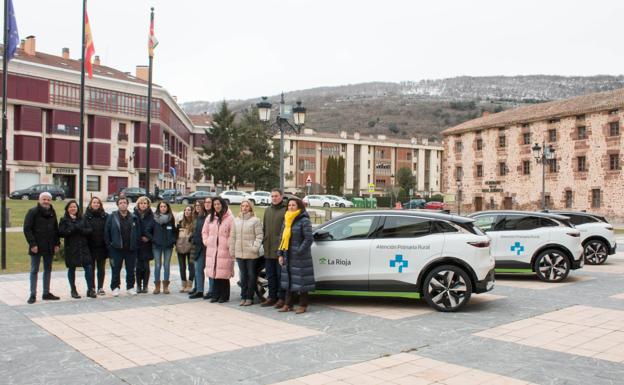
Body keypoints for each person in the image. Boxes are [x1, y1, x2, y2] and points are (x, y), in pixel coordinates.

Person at [277, 197, 315, 314]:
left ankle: (303, 305)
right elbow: (282, 238)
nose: (291, 207)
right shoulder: (286, 220)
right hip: (287, 254)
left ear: (299, 206)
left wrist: (298, 251)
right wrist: (280, 254)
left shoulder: (304, 220)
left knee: (301, 281)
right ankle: (288, 304)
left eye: (293, 205)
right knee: (289, 279)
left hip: (300, 256)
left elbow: (309, 239)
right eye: (289, 205)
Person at [23, 192, 61, 304]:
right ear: (39, 200)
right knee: (34, 270)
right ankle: (33, 294)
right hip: (36, 246)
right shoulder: (32, 212)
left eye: (48, 199)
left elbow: (55, 229)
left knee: (48, 269)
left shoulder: (52, 212)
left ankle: (46, 293)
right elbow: (27, 229)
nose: (46, 201)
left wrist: (57, 244)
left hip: (49, 246)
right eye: (44, 199)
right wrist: (32, 244)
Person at [59, 200, 96, 299]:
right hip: (71, 248)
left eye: (74, 207)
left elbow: (89, 230)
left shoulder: (83, 219)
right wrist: (72, 229)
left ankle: (90, 289)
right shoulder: (64, 219)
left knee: (88, 267)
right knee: (72, 269)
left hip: (83, 247)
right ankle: (73, 290)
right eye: (70, 207)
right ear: (67, 209)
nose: (73, 208)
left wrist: (80, 229)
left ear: (77, 208)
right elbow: (61, 232)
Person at [104, 197, 141, 297]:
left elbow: (138, 232)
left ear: (127, 204)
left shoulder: (133, 217)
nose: (123, 204)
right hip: (116, 249)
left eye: (124, 202)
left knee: (130, 269)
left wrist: (136, 244)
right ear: (117, 205)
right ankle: (115, 287)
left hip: (130, 249)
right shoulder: (112, 217)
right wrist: (110, 245)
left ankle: (130, 287)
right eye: (120, 203)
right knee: (115, 269)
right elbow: (107, 232)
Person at [230, 199, 263, 306]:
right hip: (239, 253)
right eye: (243, 206)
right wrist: (232, 250)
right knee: (243, 276)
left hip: (251, 254)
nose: (244, 208)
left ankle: (249, 297)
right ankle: (243, 296)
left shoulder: (256, 220)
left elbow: (259, 236)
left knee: (251, 275)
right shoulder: (236, 220)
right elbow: (233, 237)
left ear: (250, 208)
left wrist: (255, 248)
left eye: (247, 206)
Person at [202, 196, 233, 303]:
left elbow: (232, 233)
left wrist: (227, 243)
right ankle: (215, 294)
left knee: (223, 273)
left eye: (218, 204)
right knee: (214, 272)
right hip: (212, 249)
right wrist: (206, 241)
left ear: (223, 204)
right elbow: (204, 231)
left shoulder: (229, 218)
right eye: (215, 204)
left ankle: (224, 296)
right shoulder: (210, 217)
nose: (217, 206)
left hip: (224, 249)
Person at [261, 188, 287, 308]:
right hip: (268, 249)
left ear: (281, 196)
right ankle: (272, 297)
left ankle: (281, 298)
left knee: (280, 275)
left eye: (276, 196)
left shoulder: (285, 210)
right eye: (272, 196)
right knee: (270, 275)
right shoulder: (267, 210)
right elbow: (264, 228)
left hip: (280, 249)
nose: (274, 198)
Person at [84, 197, 108, 295]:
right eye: (94, 202)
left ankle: (100, 287)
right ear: (90, 204)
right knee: (91, 268)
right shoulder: (85, 216)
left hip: (102, 246)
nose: (96, 204)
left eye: (98, 203)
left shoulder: (105, 216)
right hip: (90, 246)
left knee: (101, 268)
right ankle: (91, 287)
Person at [152, 200, 177, 294]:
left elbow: (174, 231)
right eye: (161, 206)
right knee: (157, 265)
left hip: (168, 246)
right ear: (158, 208)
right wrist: (154, 239)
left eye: (164, 206)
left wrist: (172, 240)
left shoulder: (171, 218)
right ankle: (157, 286)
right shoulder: (154, 218)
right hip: (157, 245)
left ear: (167, 208)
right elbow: (149, 230)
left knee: (166, 265)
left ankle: (166, 286)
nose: (163, 208)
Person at [189, 198, 210, 299]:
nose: (197, 207)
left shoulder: (206, 218)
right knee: (197, 269)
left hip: (203, 247)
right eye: (196, 206)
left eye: (199, 205)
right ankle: (198, 288)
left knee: (200, 269)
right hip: (196, 246)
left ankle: (201, 290)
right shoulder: (197, 217)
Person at [134, 196, 154, 293]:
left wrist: (148, 238)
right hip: (137, 243)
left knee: (146, 266)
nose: (143, 205)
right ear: (138, 204)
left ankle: (145, 285)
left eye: (145, 203)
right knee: (138, 266)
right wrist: (139, 237)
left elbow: (154, 229)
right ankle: (138, 285)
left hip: (147, 244)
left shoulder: (152, 215)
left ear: (148, 205)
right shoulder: (134, 215)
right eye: (141, 203)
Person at [176, 205, 195, 293]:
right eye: (185, 210)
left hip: (191, 248)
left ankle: (190, 284)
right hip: (180, 247)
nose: (187, 212)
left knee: (191, 267)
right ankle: (183, 283)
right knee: (181, 267)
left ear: (192, 212)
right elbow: (175, 235)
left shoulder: (194, 223)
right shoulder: (180, 223)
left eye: (189, 210)